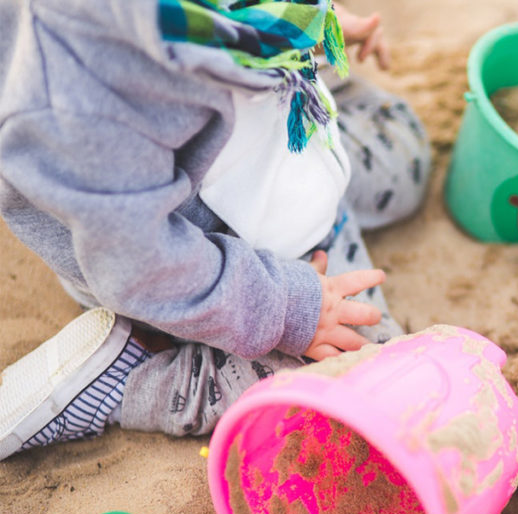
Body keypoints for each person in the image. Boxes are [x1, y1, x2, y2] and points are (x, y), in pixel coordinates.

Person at [0, 0, 430, 460]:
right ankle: (137, 377)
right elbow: (143, 268)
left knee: (405, 155)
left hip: (276, 155)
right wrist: (288, 309)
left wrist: (308, 26)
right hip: (210, 266)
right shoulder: (77, 93)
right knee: (373, 373)